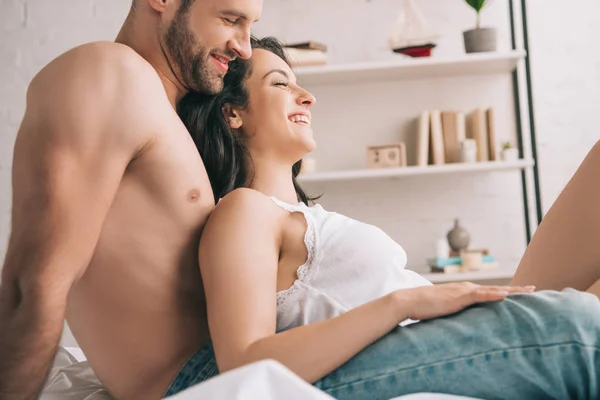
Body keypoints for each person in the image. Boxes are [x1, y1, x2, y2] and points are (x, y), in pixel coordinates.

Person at [176, 36, 600, 400]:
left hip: (457, 332)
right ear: (233, 113)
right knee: (581, 323)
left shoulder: (307, 216)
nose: (307, 97)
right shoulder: (244, 210)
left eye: (300, 85)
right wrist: (404, 302)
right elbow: (244, 364)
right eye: (281, 85)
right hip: (426, 343)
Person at [0, 1, 263, 399]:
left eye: (250, 26)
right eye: (230, 20)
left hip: (233, 370)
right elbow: (31, 284)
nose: (244, 46)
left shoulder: (171, 112)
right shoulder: (108, 72)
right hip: (198, 382)